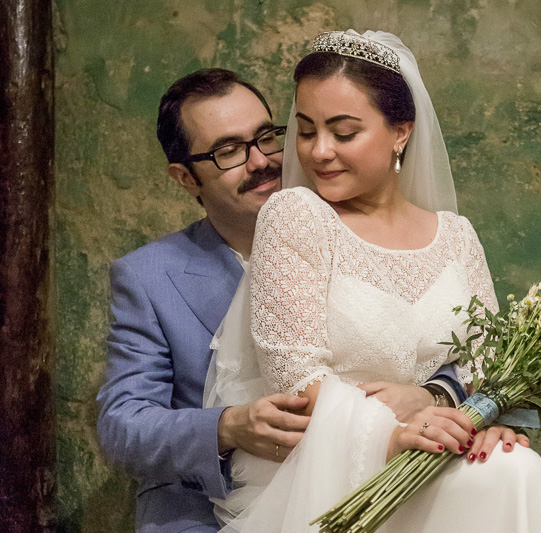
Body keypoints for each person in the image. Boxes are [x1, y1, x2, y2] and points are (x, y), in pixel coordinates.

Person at [205, 30, 541, 532]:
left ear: (401, 133)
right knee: (510, 478)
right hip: (333, 467)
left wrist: (472, 417)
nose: (319, 151)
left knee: (511, 465)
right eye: (305, 131)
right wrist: (390, 437)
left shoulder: (456, 237)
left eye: (343, 133)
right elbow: (295, 377)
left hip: (438, 453)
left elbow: (487, 365)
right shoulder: (295, 216)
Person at [96, 68, 465, 533]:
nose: (260, 161)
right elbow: (122, 426)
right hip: (211, 508)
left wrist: (435, 393)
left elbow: (440, 343)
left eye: (266, 137)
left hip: (390, 477)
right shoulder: (149, 276)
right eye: (228, 151)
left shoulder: (375, 231)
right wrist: (227, 428)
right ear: (185, 177)